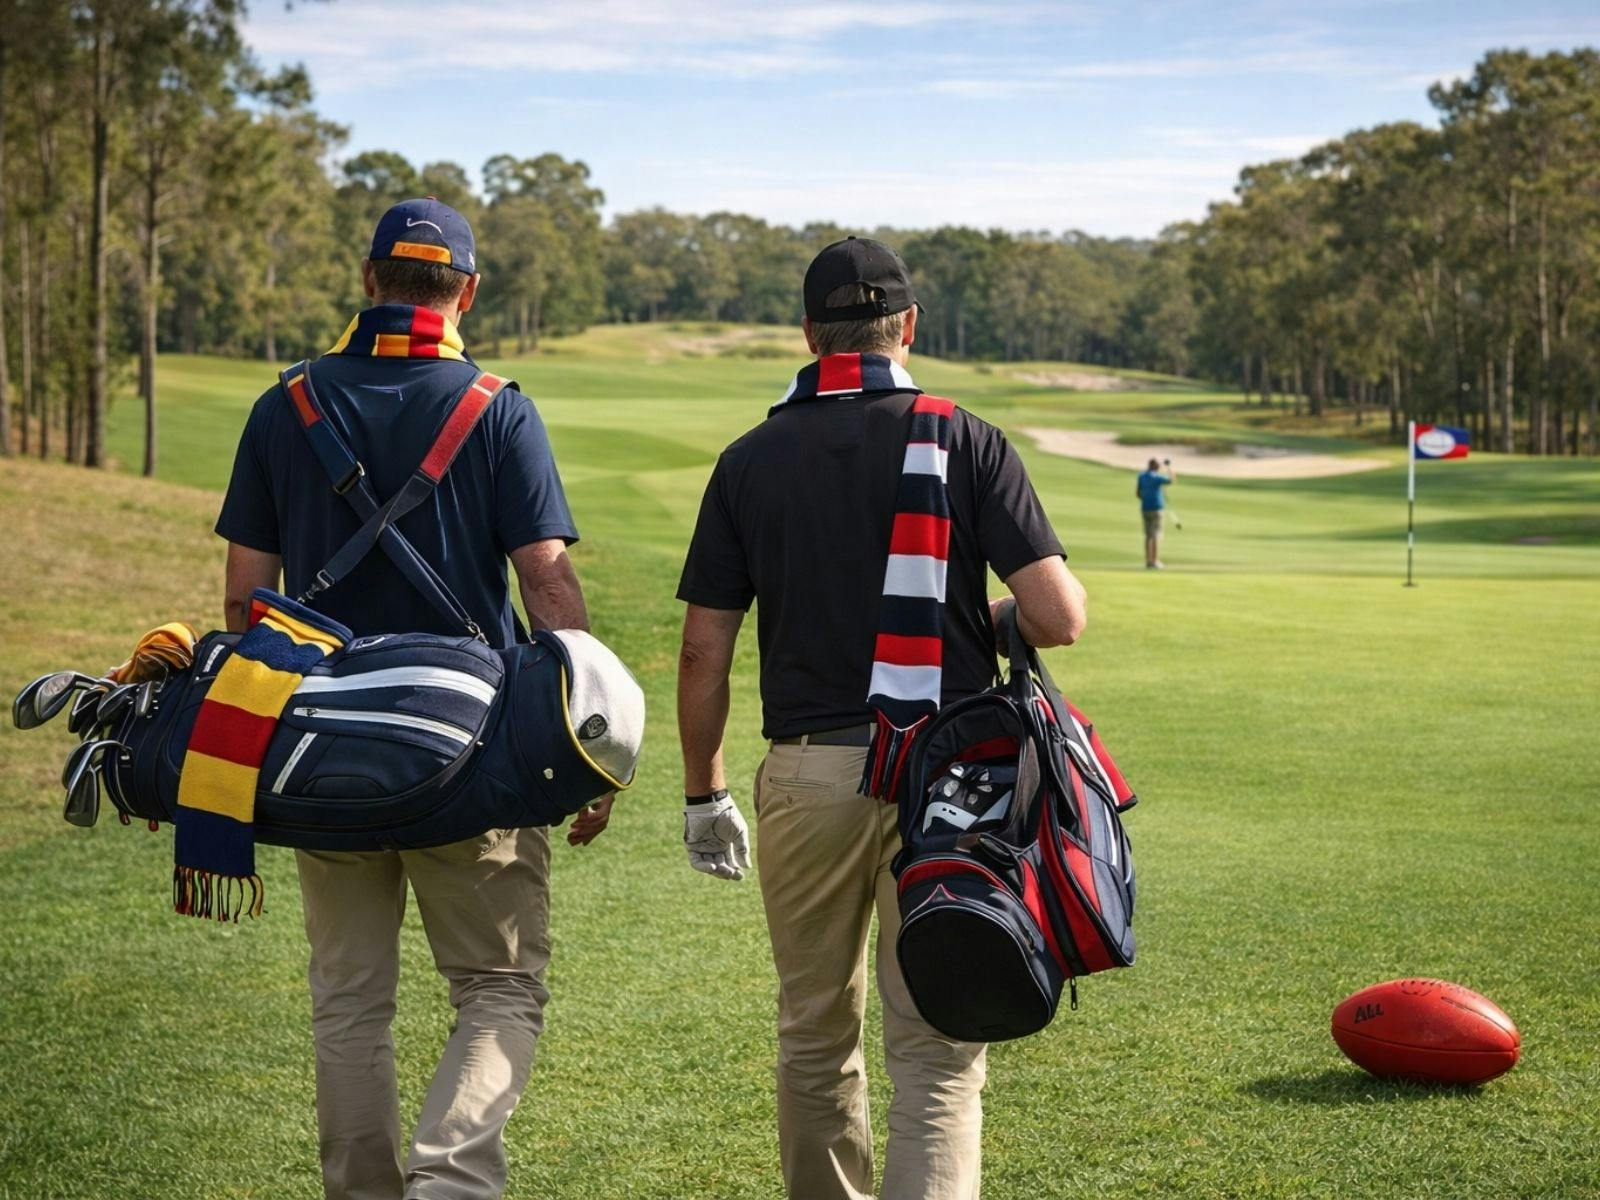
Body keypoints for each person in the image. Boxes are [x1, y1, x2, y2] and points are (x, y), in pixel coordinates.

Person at [215, 197, 612, 1200]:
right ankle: (451, 1177)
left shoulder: (284, 403)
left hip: (318, 747)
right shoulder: (497, 406)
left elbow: (240, 598)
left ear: (367, 281)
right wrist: (590, 736)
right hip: (469, 755)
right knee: (498, 987)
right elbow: (549, 584)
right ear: (466, 293)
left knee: (350, 1000)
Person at [674, 236, 1087, 1200]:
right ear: (907, 327)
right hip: (949, 781)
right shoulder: (965, 436)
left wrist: (704, 795)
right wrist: (977, 621)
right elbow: (1057, 618)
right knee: (940, 1050)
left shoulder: (748, 458)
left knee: (815, 1039)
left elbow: (704, 651)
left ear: (809, 333)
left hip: (809, 776)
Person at [1136, 456, 1176, 568]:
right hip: (1157, 509)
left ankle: (1148, 561)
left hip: (1145, 508)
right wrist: (1169, 467)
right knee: (1156, 535)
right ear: (1156, 467)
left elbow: (1138, 494)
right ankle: (1155, 561)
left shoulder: (1141, 476)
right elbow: (1171, 479)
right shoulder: (1156, 478)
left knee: (1148, 536)